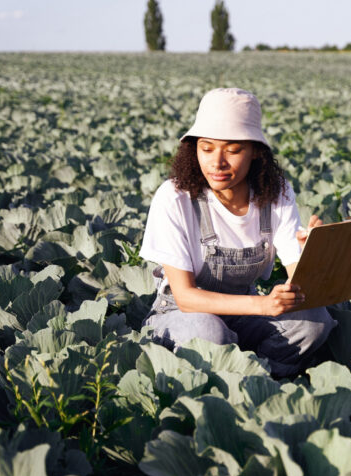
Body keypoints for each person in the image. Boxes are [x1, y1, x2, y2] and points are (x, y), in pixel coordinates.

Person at [140, 87, 336, 377]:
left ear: (256, 151)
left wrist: (312, 254)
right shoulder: (175, 197)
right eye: (206, 148)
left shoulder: (276, 194)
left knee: (315, 321)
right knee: (208, 332)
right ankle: (224, 378)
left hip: (245, 314)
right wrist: (263, 304)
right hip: (181, 317)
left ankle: (264, 381)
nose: (216, 162)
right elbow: (185, 297)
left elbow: (300, 282)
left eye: (232, 150)